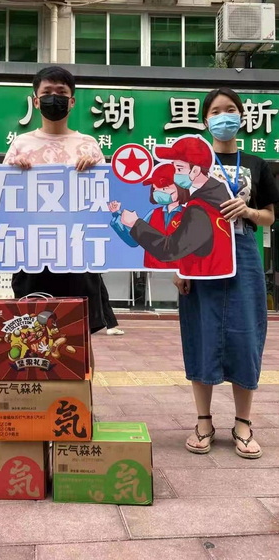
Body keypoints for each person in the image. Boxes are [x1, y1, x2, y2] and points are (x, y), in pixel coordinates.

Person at [173, 88, 279, 458]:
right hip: (200, 256)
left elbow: (269, 216)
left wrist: (247, 211)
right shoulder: (191, 164)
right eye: (216, 111)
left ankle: (243, 424)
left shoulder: (255, 163)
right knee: (201, 332)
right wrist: (180, 266)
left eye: (230, 109)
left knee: (246, 336)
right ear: (205, 120)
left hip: (244, 255)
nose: (224, 116)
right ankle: (203, 421)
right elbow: (177, 218)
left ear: (241, 117)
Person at [3, 66, 107, 369]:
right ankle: (38, 393)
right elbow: (1, 200)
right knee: (32, 332)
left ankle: (82, 395)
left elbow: (107, 200)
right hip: (32, 255)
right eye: (47, 93)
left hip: (77, 254)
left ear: (72, 101)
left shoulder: (88, 144)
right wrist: (13, 172)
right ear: (35, 101)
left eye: (61, 93)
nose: (54, 99)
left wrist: (96, 171)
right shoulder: (20, 144)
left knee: (78, 336)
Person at [120, 136, 234, 278]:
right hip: (212, 277)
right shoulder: (216, 197)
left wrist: (135, 223)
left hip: (206, 282)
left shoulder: (199, 209)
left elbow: (170, 249)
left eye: (179, 169)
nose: (175, 174)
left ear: (195, 170)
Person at [108, 162, 190, 269]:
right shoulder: (154, 213)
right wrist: (117, 215)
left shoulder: (189, 215)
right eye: (155, 189)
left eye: (164, 188)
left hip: (179, 271)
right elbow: (134, 241)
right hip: (152, 269)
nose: (159, 193)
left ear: (180, 187)